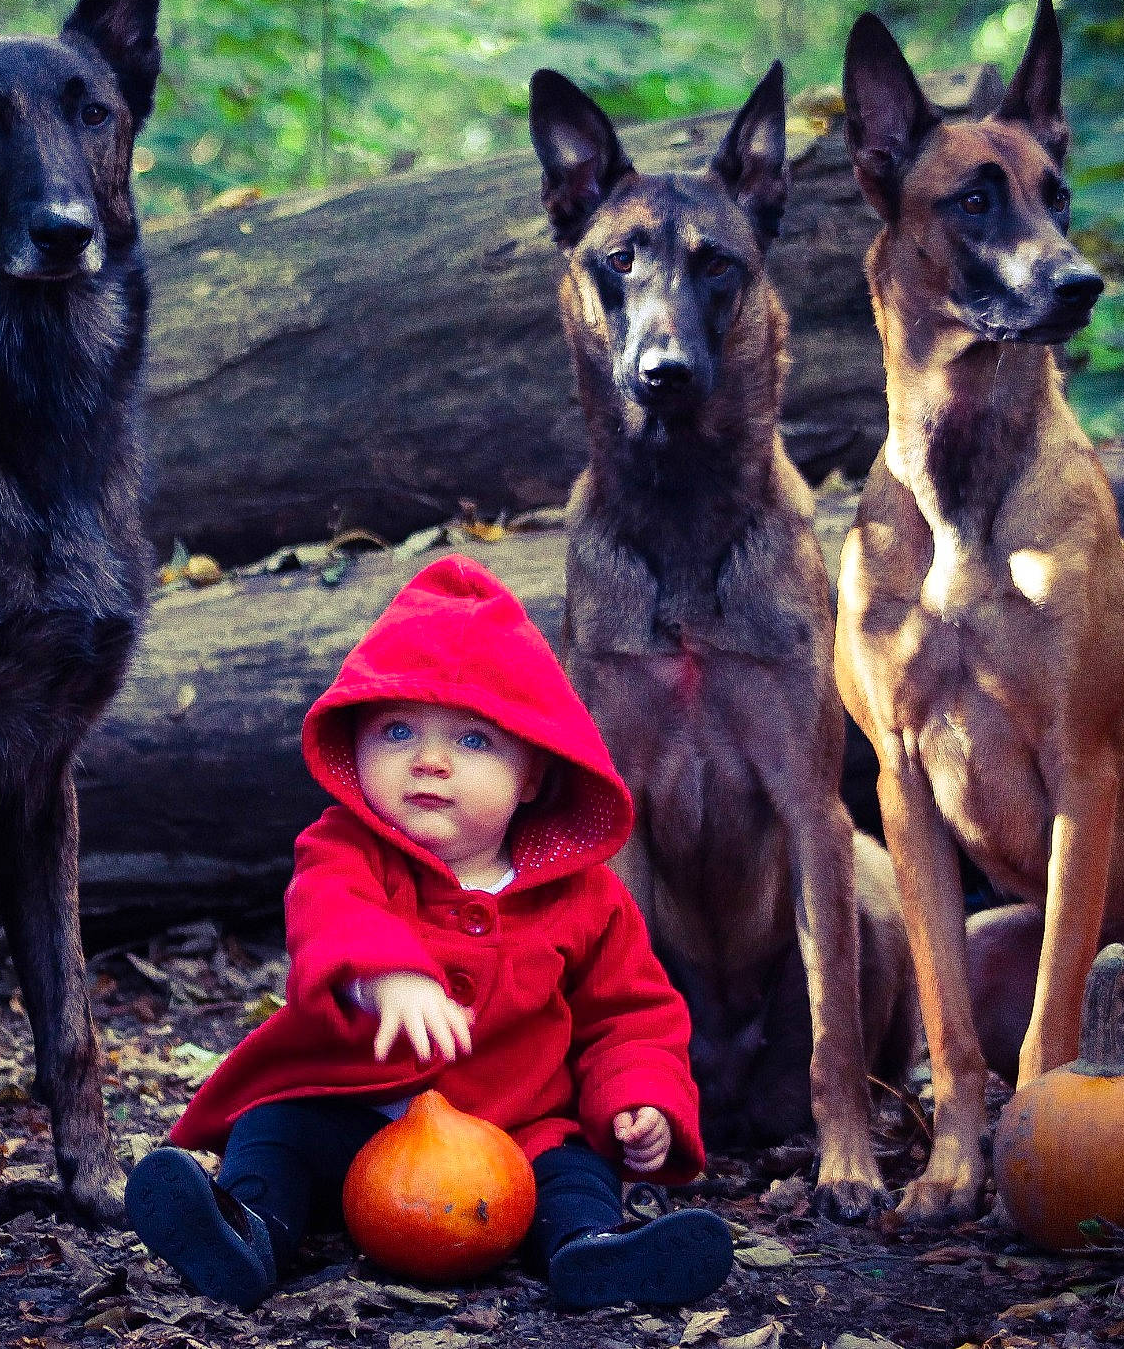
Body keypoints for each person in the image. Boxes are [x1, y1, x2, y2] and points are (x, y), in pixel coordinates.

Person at [126, 555, 734, 1310]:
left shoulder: (586, 897)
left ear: (535, 774)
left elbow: (630, 1015)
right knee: (274, 1130)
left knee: (574, 1165)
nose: (430, 762)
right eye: (398, 729)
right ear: (356, 743)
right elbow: (330, 911)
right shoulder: (346, 847)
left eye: (474, 741)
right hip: (354, 1111)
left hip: (515, 1129)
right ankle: (246, 1232)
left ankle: (590, 1252)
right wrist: (389, 974)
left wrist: (638, 1097)